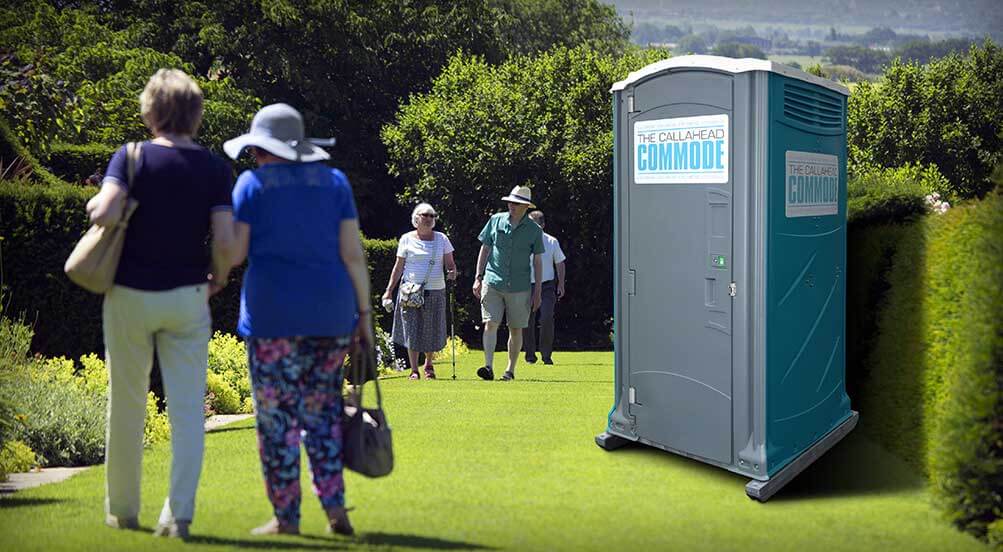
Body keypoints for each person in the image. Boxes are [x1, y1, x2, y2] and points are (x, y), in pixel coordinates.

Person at [87, 69, 237, 539]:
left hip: (129, 294)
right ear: (196, 113)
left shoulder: (130, 157)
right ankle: (178, 516)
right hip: (188, 296)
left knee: (126, 404)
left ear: (150, 110)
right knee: (188, 410)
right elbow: (227, 242)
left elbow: (105, 210)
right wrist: (218, 277)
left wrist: (95, 204)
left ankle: (124, 511)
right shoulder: (215, 168)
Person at [222, 103, 372, 537]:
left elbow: (235, 253)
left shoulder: (251, 185)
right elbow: (353, 255)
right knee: (323, 416)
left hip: (272, 319)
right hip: (330, 316)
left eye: (255, 150)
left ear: (265, 150)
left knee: (277, 422)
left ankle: (286, 517)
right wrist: (364, 315)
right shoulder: (335, 183)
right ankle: (335, 509)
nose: (254, 158)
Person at [472, 185, 545, 381]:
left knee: (516, 328)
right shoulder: (495, 220)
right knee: (490, 323)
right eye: (510, 202)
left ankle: (510, 370)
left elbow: (538, 261)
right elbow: (485, 249)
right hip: (493, 281)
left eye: (516, 203)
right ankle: (488, 367)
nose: (511, 206)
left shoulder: (534, 230)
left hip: (520, 286)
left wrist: (538, 291)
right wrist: (478, 277)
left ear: (526, 207)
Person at [382, 203, 458, 380]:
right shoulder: (406, 239)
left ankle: (429, 365)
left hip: (435, 290)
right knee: (412, 330)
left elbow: (450, 263)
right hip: (411, 291)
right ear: (416, 218)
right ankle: (414, 369)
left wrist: (452, 272)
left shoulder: (442, 239)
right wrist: (389, 291)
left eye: (432, 216)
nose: (430, 218)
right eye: (426, 215)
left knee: (431, 329)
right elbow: (398, 267)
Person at [523, 210, 566, 365]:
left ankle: (546, 355)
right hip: (527, 285)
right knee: (527, 320)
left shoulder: (551, 241)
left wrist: (561, 283)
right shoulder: (523, 242)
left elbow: (560, 263)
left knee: (547, 317)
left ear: (542, 225)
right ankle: (530, 355)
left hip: (547, 286)